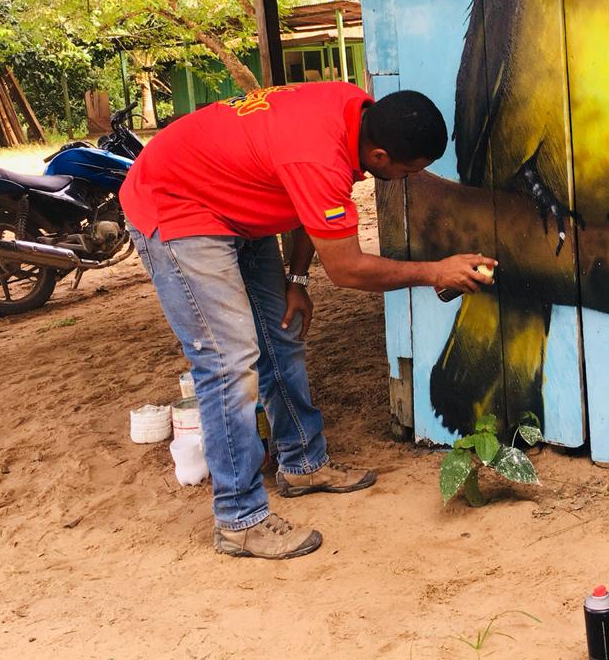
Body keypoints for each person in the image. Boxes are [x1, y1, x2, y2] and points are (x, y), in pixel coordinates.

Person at [121, 82, 495, 559]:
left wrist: (296, 279)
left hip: (239, 199)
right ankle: (239, 519)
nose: (406, 180)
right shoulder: (319, 157)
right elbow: (347, 267)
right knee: (227, 363)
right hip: (179, 206)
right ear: (378, 156)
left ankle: (302, 463)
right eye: (406, 171)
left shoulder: (350, 111)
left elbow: (308, 204)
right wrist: (435, 271)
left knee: (282, 328)